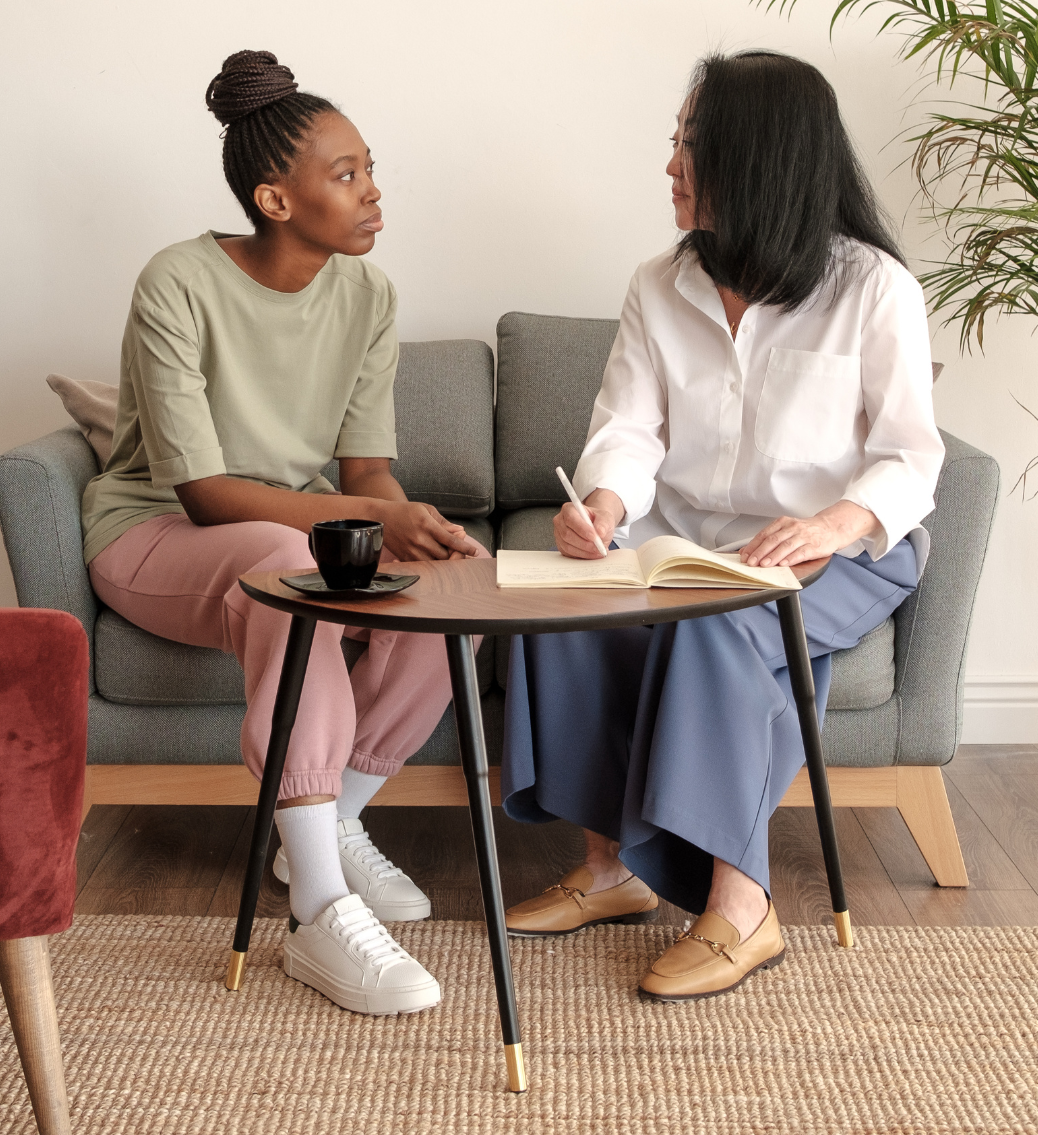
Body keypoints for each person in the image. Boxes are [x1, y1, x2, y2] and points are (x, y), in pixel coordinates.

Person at [501, 50, 944, 1001]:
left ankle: (744, 908)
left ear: (757, 157)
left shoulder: (874, 289)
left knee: (723, 627)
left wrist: (830, 523)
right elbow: (626, 428)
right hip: (690, 536)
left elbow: (911, 455)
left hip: (847, 548)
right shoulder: (658, 283)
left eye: (689, 146)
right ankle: (610, 869)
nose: (670, 164)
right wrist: (606, 508)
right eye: (674, 142)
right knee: (564, 601)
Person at [83, 50, 488, 1016]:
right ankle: (319, 909)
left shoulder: (369, 298)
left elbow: (363, 477)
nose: (373, 193)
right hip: (156, 536)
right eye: (346, 176)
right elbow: (207, 496)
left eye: (369, 168)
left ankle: (325, 825)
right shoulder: (176, 280)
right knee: (280, 566)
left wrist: (408, 529)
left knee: (451, 593)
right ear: (274, 197)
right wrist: (369, 518)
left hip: (301, 532)